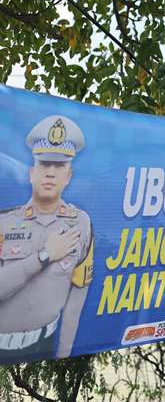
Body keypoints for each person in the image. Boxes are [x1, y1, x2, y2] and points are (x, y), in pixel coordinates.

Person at [0, 115, 94, 364]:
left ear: (69, 176)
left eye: (59, 166)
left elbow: (77, 297)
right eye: (44, 164)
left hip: (46, 345)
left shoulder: (80, 224)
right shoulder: (4, 223)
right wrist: (44, 256)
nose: (51, 173)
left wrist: (63, 355)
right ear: (32, 173)